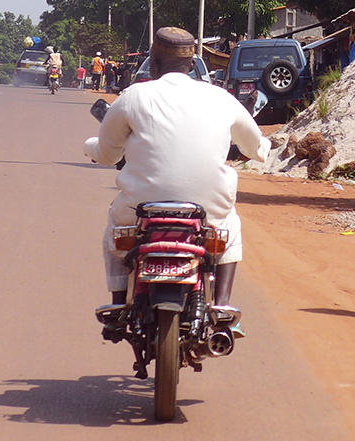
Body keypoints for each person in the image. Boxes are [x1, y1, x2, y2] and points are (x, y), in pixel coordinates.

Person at [85, 27, 270, 326]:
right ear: (194, 63)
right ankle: (222, 307)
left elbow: (107, 154)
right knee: (230, 228)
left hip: (141, 209)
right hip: (208, 208)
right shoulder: (221, 98)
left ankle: (118, 305)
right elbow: (255, 147)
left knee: (114, 231)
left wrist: (88, 147)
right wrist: (265, 147)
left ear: (154, 62)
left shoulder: (134, 96)